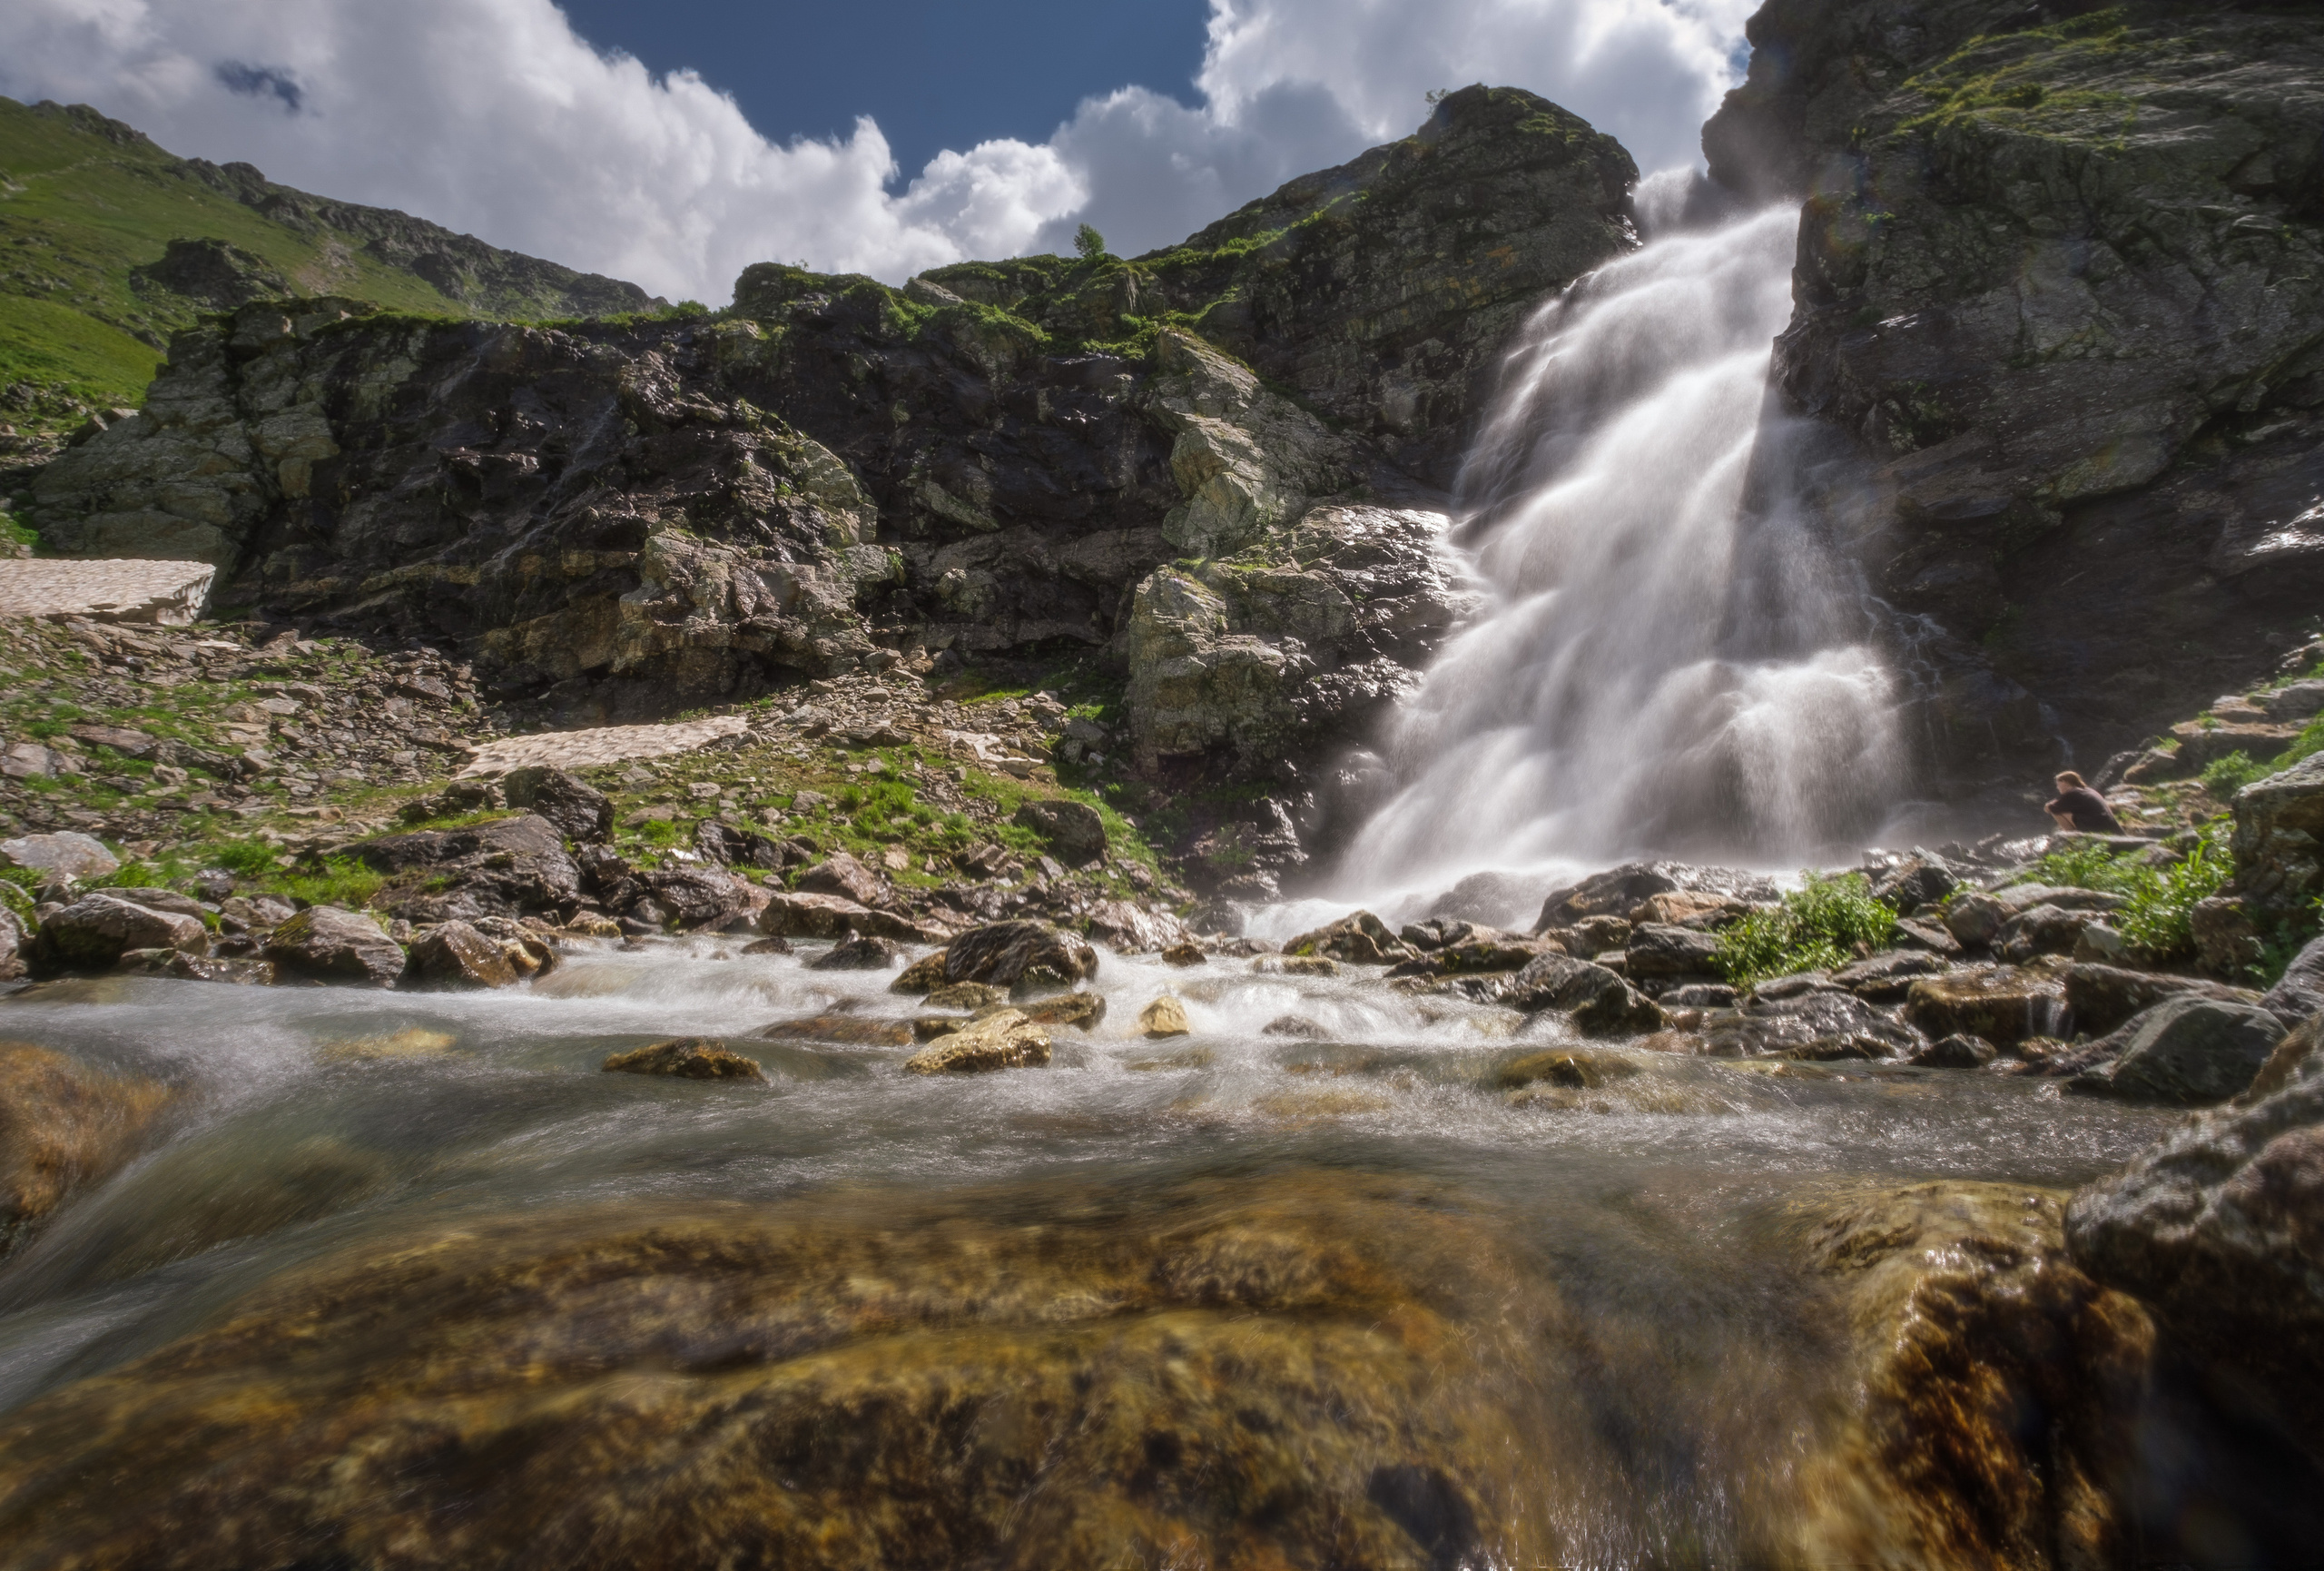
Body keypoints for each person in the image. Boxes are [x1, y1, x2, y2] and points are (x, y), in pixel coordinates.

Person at [2044, 771, 2122, 834]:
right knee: (2060, 808)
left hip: (2097, 827)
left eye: (2058, 785)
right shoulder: (2087, 790)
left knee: (2054, 810)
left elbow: (2048, 808)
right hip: (2111, 826)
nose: (2057, 788)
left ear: (2064, 782)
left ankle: (2070, 837)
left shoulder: (2072, 793)